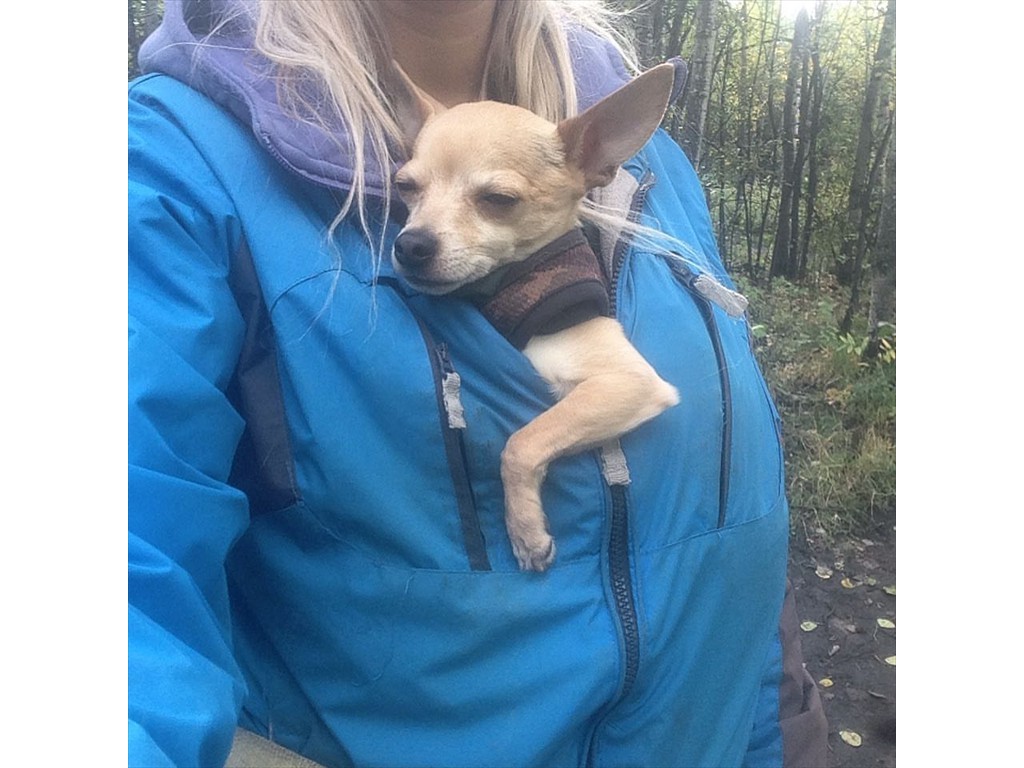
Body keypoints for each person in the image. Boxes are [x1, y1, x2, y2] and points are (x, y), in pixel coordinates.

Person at [128, 1, 828, 766]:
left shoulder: (656, 167)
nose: (419, 228)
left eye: (494, 199)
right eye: (408, 188)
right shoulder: (173, 165)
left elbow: (733, 532)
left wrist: (785, 738)